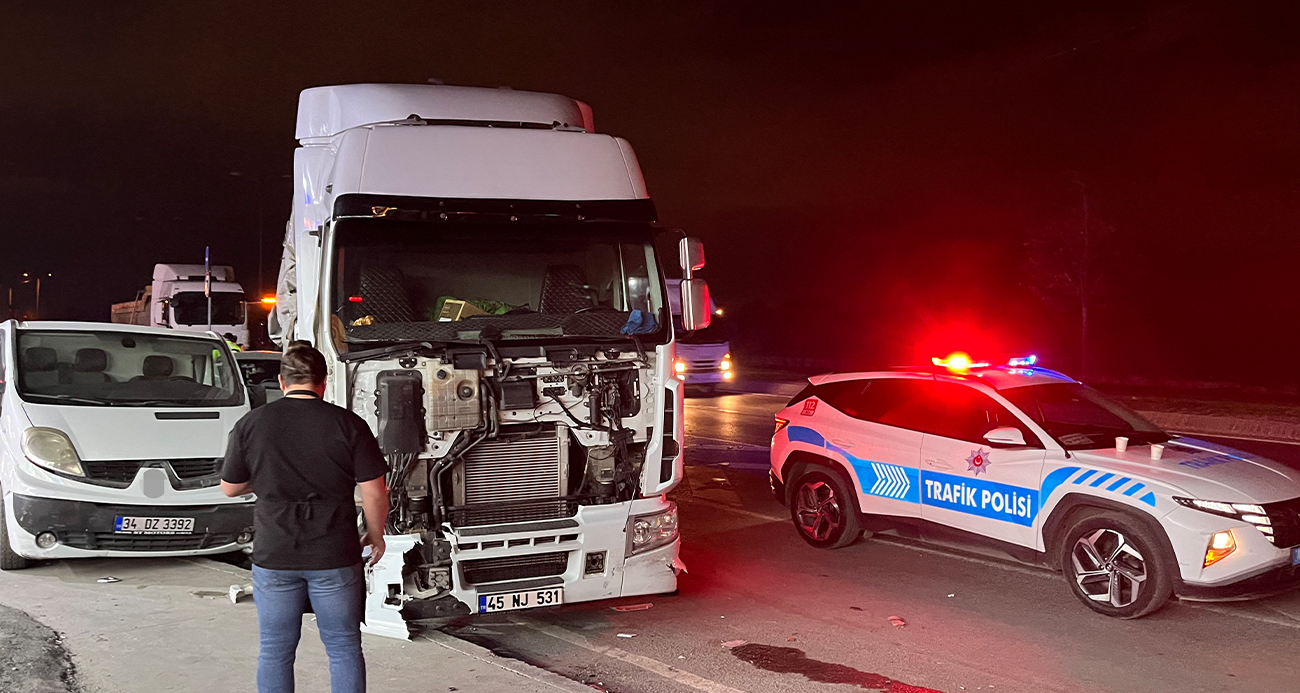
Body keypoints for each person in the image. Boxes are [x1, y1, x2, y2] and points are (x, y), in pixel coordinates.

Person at [220, 341, 389, 693]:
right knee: (343, 646)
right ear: (323, 382)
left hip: (275, 553)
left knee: (275, 650)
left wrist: (267, 477)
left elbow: (230, 488)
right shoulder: (349, 424)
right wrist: (376, 535)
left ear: (282, 382)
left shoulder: (251, 424)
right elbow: (374, 491)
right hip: (333, 554)